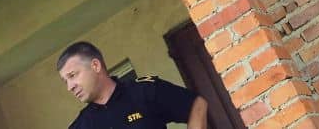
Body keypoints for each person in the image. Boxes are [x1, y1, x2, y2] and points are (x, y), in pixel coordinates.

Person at [58, 41, 208, 129]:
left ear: (95, 66)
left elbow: (196, 105)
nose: (70, 87)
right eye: (66, 81)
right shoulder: (82, 125)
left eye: (72, 75)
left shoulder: (144, 91)